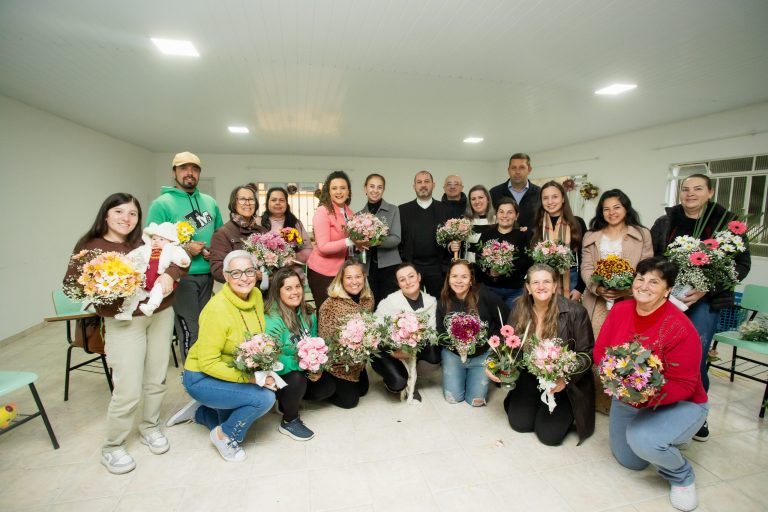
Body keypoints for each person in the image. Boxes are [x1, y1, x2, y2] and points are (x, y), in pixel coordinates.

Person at [64, 193, 186, 474]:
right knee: (127, 388)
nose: (126, 218)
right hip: (124, 322)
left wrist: (171, 275)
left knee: (156, 378)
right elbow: (72, 284)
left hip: (160, 314)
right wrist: (104, 287)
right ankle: (113, 446)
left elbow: (178, 255)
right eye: (119, 211)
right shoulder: (91, 246)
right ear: (106, 214)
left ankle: (150, 427)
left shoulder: (143, 240)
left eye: (132, 213)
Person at [594, 257, 708, 512]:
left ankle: (682, 477)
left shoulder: (679, 326)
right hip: (628, 398)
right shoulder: (621, 310)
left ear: (668, 290)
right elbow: (601, 352)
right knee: (631, 461)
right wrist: (619, 384)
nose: (644, 286)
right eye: (640, 278)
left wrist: (643, 394)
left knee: (644, 441)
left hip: (678, 401)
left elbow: (685, 384)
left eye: (654, 282)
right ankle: (665, 438)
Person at [650, 173, 750, 441]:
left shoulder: (727, 224)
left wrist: (708, 287)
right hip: (666, 300)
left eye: (697, 188)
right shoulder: (665, 222)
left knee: (694, 358)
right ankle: (663, 407)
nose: (690, 193)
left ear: (710, 192)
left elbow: (742, 265)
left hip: (705, 302)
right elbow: (654, 257)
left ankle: (696, 414)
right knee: (660, 354)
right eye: (685, 189)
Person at [166, 250, 276, 462]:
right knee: (264, 398)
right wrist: (251, 379)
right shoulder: (216, 310)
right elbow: (208, 363)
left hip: (231, 369)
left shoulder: (255, 296)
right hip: (201, 377)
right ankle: (223, 436)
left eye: (249, 271)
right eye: (236, 273)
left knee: (269, 388)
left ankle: (201, 413)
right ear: (225, 276)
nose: (244, 278)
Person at [498, 263, 595, 446]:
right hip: (530, 373)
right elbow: (510, 343)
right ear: (528, 287)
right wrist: (497, 366)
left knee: (549, 436)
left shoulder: (575, 311)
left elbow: (587, 354)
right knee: (520, 424)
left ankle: (564, 411)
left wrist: (564, 379)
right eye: (536, 282)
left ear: (555, 285)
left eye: (546, 282)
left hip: (562, 381)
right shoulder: (519, 308)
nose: (541, 286)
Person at [145, 151, 223, 360]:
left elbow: (219, 234)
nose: (190, 173)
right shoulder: (162, 204)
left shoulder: (210, 202)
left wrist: (214, 252)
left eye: (195, 169)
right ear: (174, 172)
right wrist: (185, 249)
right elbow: (152, 245)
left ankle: (206, 368)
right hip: (180, 276)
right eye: (184, 168)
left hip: (208, 275)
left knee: (207, 325)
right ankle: (191, 372)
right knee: (190, 328)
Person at [265, 267, 336, 441]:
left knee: (327, 386)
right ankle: (289, 420)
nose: (295, 292)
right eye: (288, 288)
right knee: (296, 379)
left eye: (297, 286)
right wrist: (299, 364)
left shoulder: (308, 312)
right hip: (281, 371)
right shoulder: (271, 318)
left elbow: (315, 342)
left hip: (302, 366)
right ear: (277, 291)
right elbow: (271, 358)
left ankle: (288, 400)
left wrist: (317, 366)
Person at [581, 189, 653, 336]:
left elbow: (647, 267)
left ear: (626, 208)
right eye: (606, 209)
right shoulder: (590, 235)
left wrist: (630, 288)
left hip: (631, 298)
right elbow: (586, 267)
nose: (611, 212)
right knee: (597, 339)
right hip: (598, 301)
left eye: (616, 207)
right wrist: (597, 288)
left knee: (627, 341)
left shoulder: (642, 234)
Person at [437, 260, 508, 406]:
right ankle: (458, 374)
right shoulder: (444, 301)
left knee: (476, 402)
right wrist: (457, 345)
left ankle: (473, 376)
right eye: (454, 276)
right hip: (454, 356)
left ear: (471, 280)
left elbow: (505, 322)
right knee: (453, 399)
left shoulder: (486, 296)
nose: (458, 281)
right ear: (448, 279)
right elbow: (440, 331)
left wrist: (494, 346)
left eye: (464, 277)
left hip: (482, 356)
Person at [374, 262, 440, 397]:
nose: (408, 282)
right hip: (390, 351)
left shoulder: (431, 302)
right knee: (398, 383)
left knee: (435, 354)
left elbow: (432, 333)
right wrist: (395, 349)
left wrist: (413, 342)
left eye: (411, 276)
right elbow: (376, 331)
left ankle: (412, 374)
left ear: (419, 277)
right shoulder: (389, 302)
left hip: (415, 349)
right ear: (398, 284)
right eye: (402, 279)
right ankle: (394, 377)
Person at [317, 260, 373, 409]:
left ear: (364, 277)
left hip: (358, 362)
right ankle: (327, 384)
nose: (354, 282)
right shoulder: (330, 304)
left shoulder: (368, 298)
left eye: (358, 276)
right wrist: (350, 346)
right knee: (349, 402)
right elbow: (326, 342)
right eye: (349, 277)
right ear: (341, 279)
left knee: (363, 390)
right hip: (338, 364)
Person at [307, 171, 361, 308]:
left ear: (348, 191)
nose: (339, 192)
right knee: (326, 312)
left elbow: (348, 244)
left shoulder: (349, 212)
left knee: (343, 312)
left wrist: (360, 244)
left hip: (342, 271)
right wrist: (351, 241)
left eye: (343, 188)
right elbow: (323, 247)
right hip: (322, 272)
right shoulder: (323, 211)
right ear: (329, 191)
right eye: (334, 188)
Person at [117, 222, 191, 320]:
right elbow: (134, 254)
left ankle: (151, 306)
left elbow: (179, 255)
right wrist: (125, 259)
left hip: (159, 279)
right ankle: (126, 312)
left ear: (170, 241)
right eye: (154, 239)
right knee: (133, 293)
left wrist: (182, 260)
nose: (156, 242)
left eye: (161, 239)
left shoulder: (171, 249)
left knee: (159, 290)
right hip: (144, 280)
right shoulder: (144, 249)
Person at [530, 180, 587, 301]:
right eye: (545, 198)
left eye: (555, 197)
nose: (550, 201)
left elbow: (584, 257)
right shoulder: (535, 225)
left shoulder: (577, 222)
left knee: (570, 312)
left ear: (563, 199)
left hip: (571, 278)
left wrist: (580, 288)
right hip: (543, 280)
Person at [399, 170, 451, 297]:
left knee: (439, 304)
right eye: (419, 182)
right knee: (411, 304)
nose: (423, 185)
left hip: (438, 269)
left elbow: (451, 239)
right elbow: (399, 240)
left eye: (427, 181)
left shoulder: (445, 209)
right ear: (414, 186)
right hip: (411, 267)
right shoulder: (402, 210)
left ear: (433, 185)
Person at [476, 198, 532, 309]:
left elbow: (528, 260)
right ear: (496, 214)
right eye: (501, 212)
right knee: (492, 318)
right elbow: (478, 258)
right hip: (490, 288)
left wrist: (504, 269)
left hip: (515, 290)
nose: (505, 216)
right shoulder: (487, 234)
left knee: (513, 319)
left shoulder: (523, 235)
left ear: (516, 216)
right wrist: (489, 271)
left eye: (510, 212)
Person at [357, 174, 402, 306]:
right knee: (370, 304)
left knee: (390, 305)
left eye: (379, 187)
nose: (375, 190)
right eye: (372, 186)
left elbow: (396, 239)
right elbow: (356, 246)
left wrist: (373, 241)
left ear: (383, 190)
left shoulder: (393, 210)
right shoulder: (358, 215)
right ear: (365, 188)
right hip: (368, 268)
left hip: (390, 267)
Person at [209, 184, 267, 287]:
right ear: (234, 203)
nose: (247, 203)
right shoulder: (223, 233)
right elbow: (217, 270)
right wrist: (252, 275)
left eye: (251, 199)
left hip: (265, 291)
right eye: (242, 199)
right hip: (240, 291)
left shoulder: (263, 231)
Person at [256, 186, 313, 264]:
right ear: (267, 203)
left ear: (286, 203)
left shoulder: (296, 223)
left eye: (281, 200)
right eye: (273, 200)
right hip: (264, 268)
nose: (277, 203)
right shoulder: (258, 222)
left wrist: (291, 259)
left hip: (291, 267)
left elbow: (307, 249)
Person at [489, 153, 542, 230]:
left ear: (529, 169)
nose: (517, 172)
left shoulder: (540, 193)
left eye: (522, 167)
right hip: (501, 237)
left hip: (532, 237)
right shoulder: (494, 193)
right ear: (508, 170)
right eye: (513, 168)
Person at [463, 185, 496, 263]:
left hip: (492, 267)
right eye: (473, 199)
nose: (477, 201)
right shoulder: (464, 221)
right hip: (469, 266)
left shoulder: (498, 220)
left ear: (488, 199)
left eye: (480, 197)